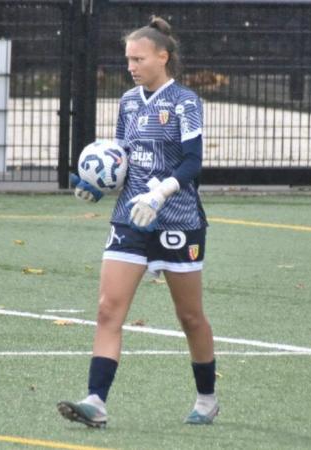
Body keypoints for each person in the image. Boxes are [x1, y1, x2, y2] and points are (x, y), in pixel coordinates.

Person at [58, 16, 218, 428]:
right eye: (128, 58)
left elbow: (193, 162)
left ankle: (206, 399)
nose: (131, 65)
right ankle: (96, 401)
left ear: (162, 57)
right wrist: (97, 185)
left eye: (138, 58)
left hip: (178, 220)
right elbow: (123, 158)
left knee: (190, 318)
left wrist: (160, 192)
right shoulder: (129, 102)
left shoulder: (185, 101)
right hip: (130, 219)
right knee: (108, 310)